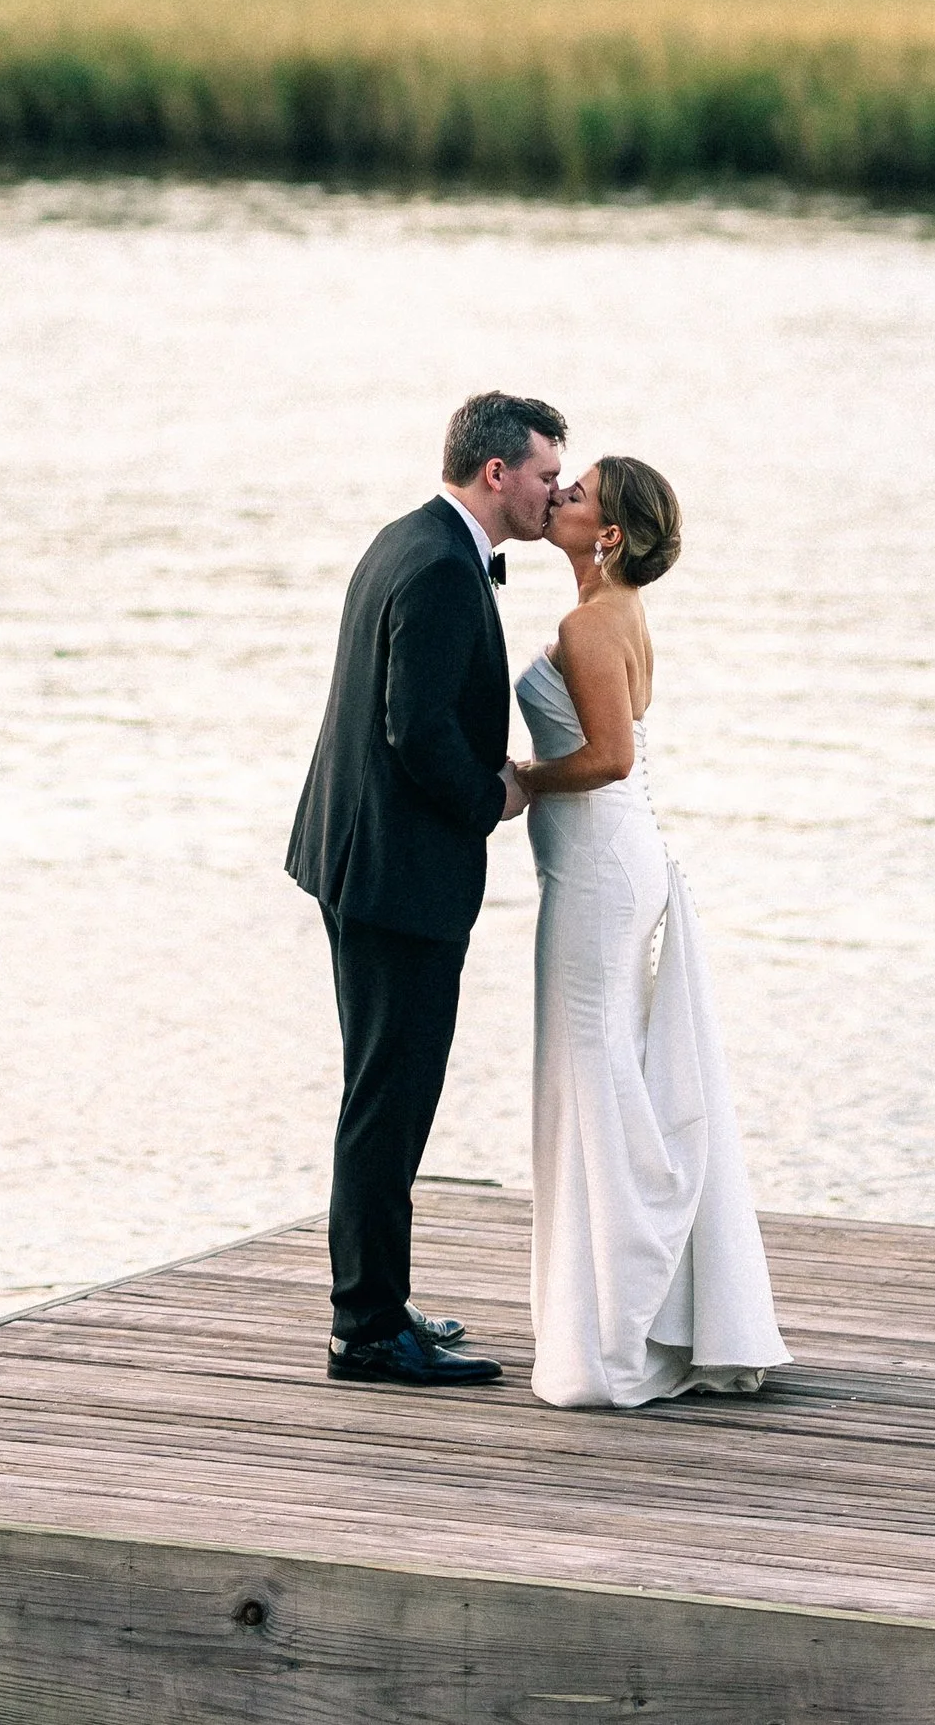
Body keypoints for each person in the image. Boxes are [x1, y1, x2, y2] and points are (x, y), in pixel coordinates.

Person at [285, 387, 565, 1387]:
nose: (554, 491)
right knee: (388, 1099)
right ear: (497, 473)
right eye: (542, 475)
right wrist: (493, 794)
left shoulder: (407, 538)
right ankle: (363, 1331)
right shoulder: (444, 568)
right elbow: (415, 730)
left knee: (384, 1089)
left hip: (359, 858)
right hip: (395, 875)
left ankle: (381, 1299)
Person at [507, 454, 789, 1409]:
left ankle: (611, 1333)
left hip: (594, 867)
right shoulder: (622, 615)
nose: (560, 499)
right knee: (605, 1075)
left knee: (591, 1079)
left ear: (612, 535)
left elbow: (610, 754)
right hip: (611, 860)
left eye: (576, 494)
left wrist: (524, 780)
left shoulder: (591, 621)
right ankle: (628, 1309)